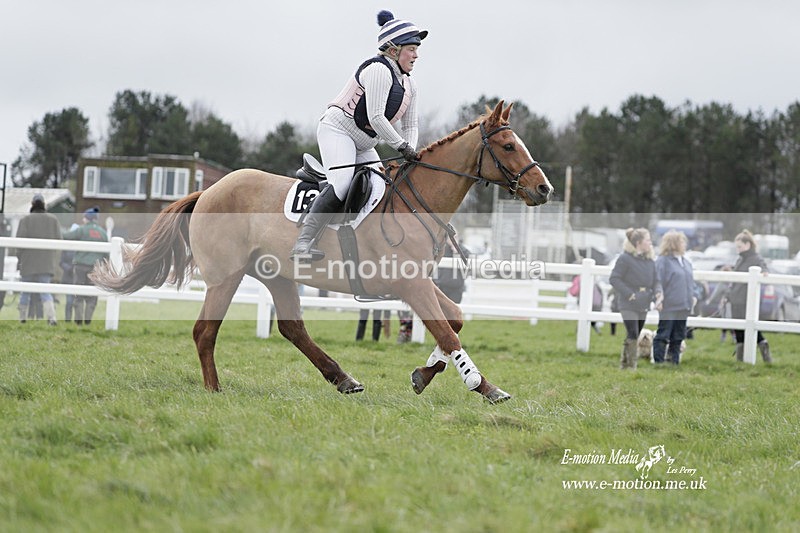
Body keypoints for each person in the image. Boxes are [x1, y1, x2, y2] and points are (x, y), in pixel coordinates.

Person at [290, 10, 427, 262]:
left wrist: (411, 151)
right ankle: (303, 242)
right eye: (411, 48)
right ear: (394, 50)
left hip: (365, 143)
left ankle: (365, 244)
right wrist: (402, 146)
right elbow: (376, 117)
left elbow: (411, 125)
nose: (416, 55)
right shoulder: (378, 70)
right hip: (337, 130)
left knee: (381, 188)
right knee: (342, 183)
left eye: (417, 48)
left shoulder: (410, 85)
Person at [609, 228, 662, 369]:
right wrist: (629, 294)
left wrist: (657, 293)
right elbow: (614, 278)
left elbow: (657, 280)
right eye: (648, 240)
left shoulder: (650, 261)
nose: (650, 243)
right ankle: (632, 366)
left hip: (644, 301)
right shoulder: (625, 259)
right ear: (639, 242)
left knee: (635, 333)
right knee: (632, 332)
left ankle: (624, 364)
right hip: (628, 302)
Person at [13, 193, 62, 325]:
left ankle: (22, 318)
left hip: (28, 263)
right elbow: (59, 242)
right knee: (45, 292)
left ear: (32, 204)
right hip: (46, 264)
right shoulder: (53, 220)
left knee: (25, 292)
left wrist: (19, 260)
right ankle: (52, 318)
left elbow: (19, 244)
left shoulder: (25, 220)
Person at [726, 230, 772, 362]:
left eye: (739, 246)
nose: (738, 249)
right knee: (738, 330)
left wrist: (764, 272)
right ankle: (741, 361)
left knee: (753, 330)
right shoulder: (740, 259)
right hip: (736, 299)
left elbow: (763, 267)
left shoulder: (756, 258)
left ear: (747, 245)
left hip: (747, 301)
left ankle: (766, 356)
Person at [653, 230, 695, 365]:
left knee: (678, 336)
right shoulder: (663, 261)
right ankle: (659, 361)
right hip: (669, 304)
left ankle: (673, 362)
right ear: (674, 244)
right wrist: (658, 298)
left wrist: (694, 296)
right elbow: (657, 281)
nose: (684, 244)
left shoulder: (686, 262)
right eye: (681, 242)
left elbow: (690, 282)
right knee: (664, 334)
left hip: (684, 304)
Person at [62, 208, 109, 325]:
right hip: (95, 268)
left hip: (80, 267)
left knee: (78, 294)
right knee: (92, 295)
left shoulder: (81, 230)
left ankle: (78, 321)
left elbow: (67, 236)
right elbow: (106, 254)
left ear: (87, 218)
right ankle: (88, 321)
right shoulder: (103, 233)